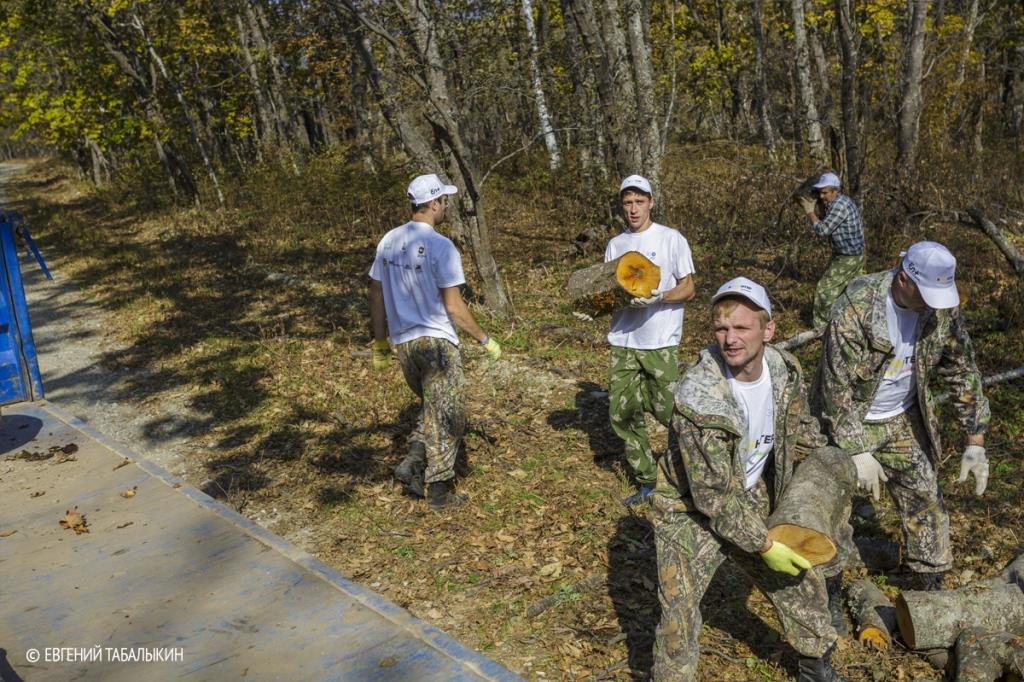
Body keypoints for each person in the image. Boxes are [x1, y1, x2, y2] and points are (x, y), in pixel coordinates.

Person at [650, 277, 846, 682]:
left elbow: (800, 429)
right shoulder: (699, 399)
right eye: (722, 329)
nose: (730, 339)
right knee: (677, 618)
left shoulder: (783, 370)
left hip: (750, 490)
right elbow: (713, 498)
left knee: (802, 586)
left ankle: (815, 669)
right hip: (687, 511)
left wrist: (829, 468)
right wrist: (764, 543)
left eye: (742, 327)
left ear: (768, 330)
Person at [812, 241, 990, 590]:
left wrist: (975, 438)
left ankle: (928, 582)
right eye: (925, 294)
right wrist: (856, 450)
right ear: (904, 278)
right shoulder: (857, 306)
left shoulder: (940, 308)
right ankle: (828, 587)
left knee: (926, 502)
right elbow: (836, 387)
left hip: (902, 418)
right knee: (830, 506)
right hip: (849, 418)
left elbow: (961, 369)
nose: (930, 305)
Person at [368, 173, 501, 511]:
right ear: (433, 203)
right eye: (444, 200)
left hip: (405, 347)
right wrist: (484, 339)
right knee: (450, 417)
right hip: (437, 344)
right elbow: (454, 306)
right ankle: (440, 492)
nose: (446, 206)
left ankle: (413, 461)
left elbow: (376, 293)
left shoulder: (388, 241)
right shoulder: (442, 246)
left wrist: (380, 342)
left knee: (432, 408)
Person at [604, 174, 695, 506]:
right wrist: (594, 306)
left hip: (659, 340)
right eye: (627, 202)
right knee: (621, 412)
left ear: (651, 203)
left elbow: (689, 287)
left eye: (639, 201)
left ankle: (692, 471)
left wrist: (659, 298)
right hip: (623, 340)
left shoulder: (671, 239)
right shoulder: (616, 245)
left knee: (668, 409)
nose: (633, 208)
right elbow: (610, 291)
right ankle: (647, 481)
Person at [797, 172, 865, 329]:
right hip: (850, 254)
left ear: (836, 191)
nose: (821, 196)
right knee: (854, 290)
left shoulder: (840, 206)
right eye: (819, 192)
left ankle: (822, 329)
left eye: (825, 192)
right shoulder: (837, 202)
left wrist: (810, 212)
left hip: (849, 257)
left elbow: (822, 230)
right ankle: (850, 322)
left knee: (825, 289)